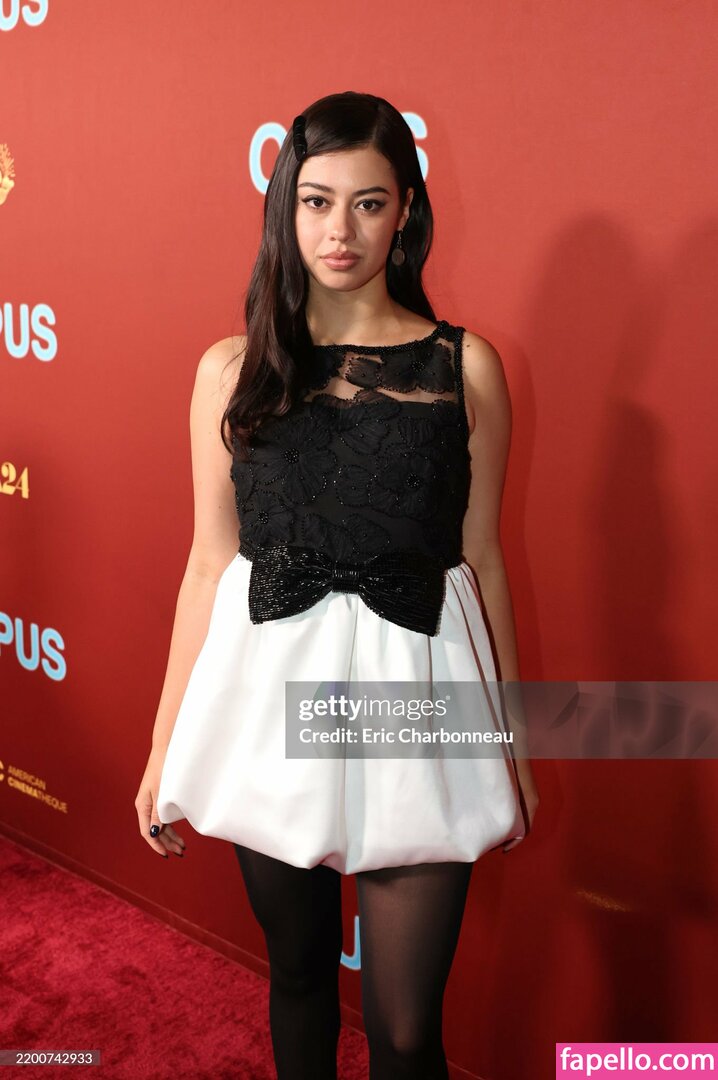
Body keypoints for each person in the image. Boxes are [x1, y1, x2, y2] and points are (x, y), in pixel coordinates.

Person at [135, 90, 539, 1080]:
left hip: (418, 703)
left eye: (368, 203)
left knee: (405, 1034)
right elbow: (206, 563)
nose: (340, 231)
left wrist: (517, 744)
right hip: (266, 700)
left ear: (406, 211)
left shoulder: (465, 368)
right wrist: (162, 746)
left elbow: (481, 563)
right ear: (285, 207)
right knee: (301, 977)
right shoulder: (230, 372)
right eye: (316, 202)